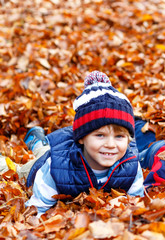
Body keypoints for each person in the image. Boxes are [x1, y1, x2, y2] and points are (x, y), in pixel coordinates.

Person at [23, 71, 144, 217]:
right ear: (81, 138)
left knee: (45, 150)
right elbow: (35, 211)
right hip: (42, 166)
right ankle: (36, 143)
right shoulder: (55, 168)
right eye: (100, 135)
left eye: (119, 136)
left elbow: (136, 204)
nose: (111, 144)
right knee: (27, 165)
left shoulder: (131, 165)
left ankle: (39, 142)